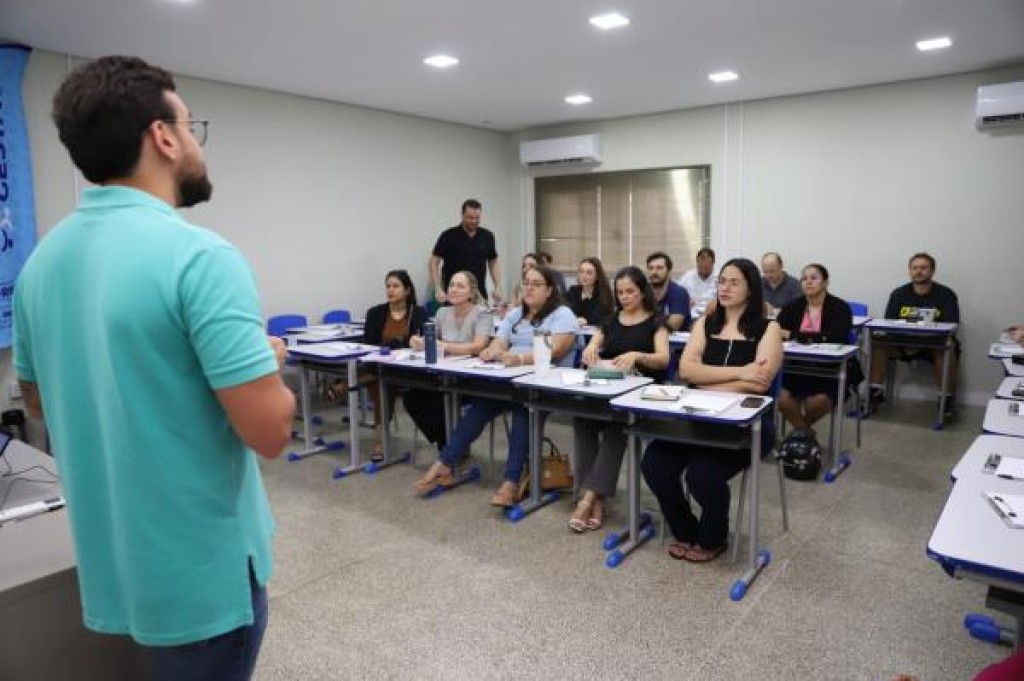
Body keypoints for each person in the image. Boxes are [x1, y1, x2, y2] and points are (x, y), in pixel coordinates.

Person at [13, 56, 296, 680]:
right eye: (191, 127)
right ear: (163, 137)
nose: (196, 143)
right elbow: (271, 432)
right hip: (202, 576)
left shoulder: (40, 266)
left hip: (115, 561)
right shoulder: (200, 257)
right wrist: (265, 363)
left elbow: (36, 402)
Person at [642, 258, 782, 563]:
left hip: (748, 425)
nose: (725, 288)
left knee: (702, 474)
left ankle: (713, 538)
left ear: (750, 289)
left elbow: (758, 385)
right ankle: (685, 529)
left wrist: (707, 380)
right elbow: (686, 371)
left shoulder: (768, 329)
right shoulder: (705, 324)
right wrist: (740, 373)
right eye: (722, 281)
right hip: (697, 417)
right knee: (655, 463)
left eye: (734, 282)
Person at [413, 266, 579, 506]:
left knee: (523, 409)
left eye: (536, 284)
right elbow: (500, 341)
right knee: (480, 407)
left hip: (547, 385)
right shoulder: (517, 314)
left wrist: (519, 358)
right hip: (512, 381)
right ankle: (444, 464)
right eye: (526, 283)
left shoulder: (563, 314)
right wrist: (492, 351)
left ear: (549, 290)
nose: (529, 288)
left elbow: (557, 350)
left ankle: (512, 480)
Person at [571, 266, 669, 532]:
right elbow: (595, 342)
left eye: (630, 292)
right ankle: (597, 500)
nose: (625, 297)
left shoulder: (656, 322)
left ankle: (587, 498)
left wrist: (638, 355)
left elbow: (663, 359)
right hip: (609, 388)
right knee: (583, 419)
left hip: (641, 395)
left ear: (643, 292)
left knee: (618, 426)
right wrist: (591, 348)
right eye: (620, 292)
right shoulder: (611, 319)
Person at [403, 271, 493, 451]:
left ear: (471, 292)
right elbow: (430, 339)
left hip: (471, 377)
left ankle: (450, 448)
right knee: (412, 398)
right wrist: (417, 341)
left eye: (460, 286)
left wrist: (442, 345)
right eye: (451, 285)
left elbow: (478, 347)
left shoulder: (482, 314)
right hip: (443, 373)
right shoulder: (442, 312)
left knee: (438, 402)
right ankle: (449, 443)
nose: (454, 289)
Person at [776, 264, 864, 436]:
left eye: (814, 278)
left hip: (832, 369)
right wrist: (813, 337)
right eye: (804, 278)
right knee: (780, 396)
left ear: (825, 282)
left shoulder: (840, 307)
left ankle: (799, 434)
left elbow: (836, 337)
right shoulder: (793, 306)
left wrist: (794, 335)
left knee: (819, 401)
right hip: (796, 367)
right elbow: (777, 331)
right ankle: (804, 434)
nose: (808, 282)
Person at [868, 252, 960, 416]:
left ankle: (946, 400)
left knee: (949, 347)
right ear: (910, 270)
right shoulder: (899, 294)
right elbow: (889, 323)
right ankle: (875, 392)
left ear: (932, 271)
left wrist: (923, 338)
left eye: (923, 268)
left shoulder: (946, 294)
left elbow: (952, 324)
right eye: (915, 268)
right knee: (878, 342)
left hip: (934, 344)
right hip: (902, 342)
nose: (919, 271)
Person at [361, 270, 427, 460]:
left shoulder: (418, 313)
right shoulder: (375, 313)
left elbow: (417, 341)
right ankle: (379, 441)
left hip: (406, 369)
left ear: (407, 290)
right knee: (379, 383)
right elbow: (369, 344)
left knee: (377, 378)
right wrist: (398, 343)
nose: (390, 290)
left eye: (396, 286)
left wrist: (394, 345)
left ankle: (344, 383)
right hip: (380, 366)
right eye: (388, 286)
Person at [430, 198, 504, 305]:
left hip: (478, 296)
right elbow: (433, 262)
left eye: (477, 217)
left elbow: (493, 262)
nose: (474, 221)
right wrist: (437, 288)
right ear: (462, 215)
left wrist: (498, 286)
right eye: (470, 217)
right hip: (454, 296)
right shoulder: (448, 235)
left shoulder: (487, 236)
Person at [646, 251, 691, 332]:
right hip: (647, 337)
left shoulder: (679, 293)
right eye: (651, 268)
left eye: (659, 268)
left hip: (674, 338)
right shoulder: (642, 292)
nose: (654, 272)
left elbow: (673, 326)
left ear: (669, 271)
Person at [565, 256, 614, 326]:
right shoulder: (572, 291)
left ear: (597, 276)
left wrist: (586, 321)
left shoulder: (604, 295)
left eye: (589, 273)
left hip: (596, 331)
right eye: (581, 272)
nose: (584, 276)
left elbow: (602, 319)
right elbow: (565, 312)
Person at [678, 247, 718, 312]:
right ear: (697, 263)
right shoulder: (687, 277)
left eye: (706, 267)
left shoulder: (721, 277)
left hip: (713, 313)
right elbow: (677, 293)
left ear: (713, 263)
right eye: (701, 266)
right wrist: (684, 301)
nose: (704, 269)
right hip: (691, 312)